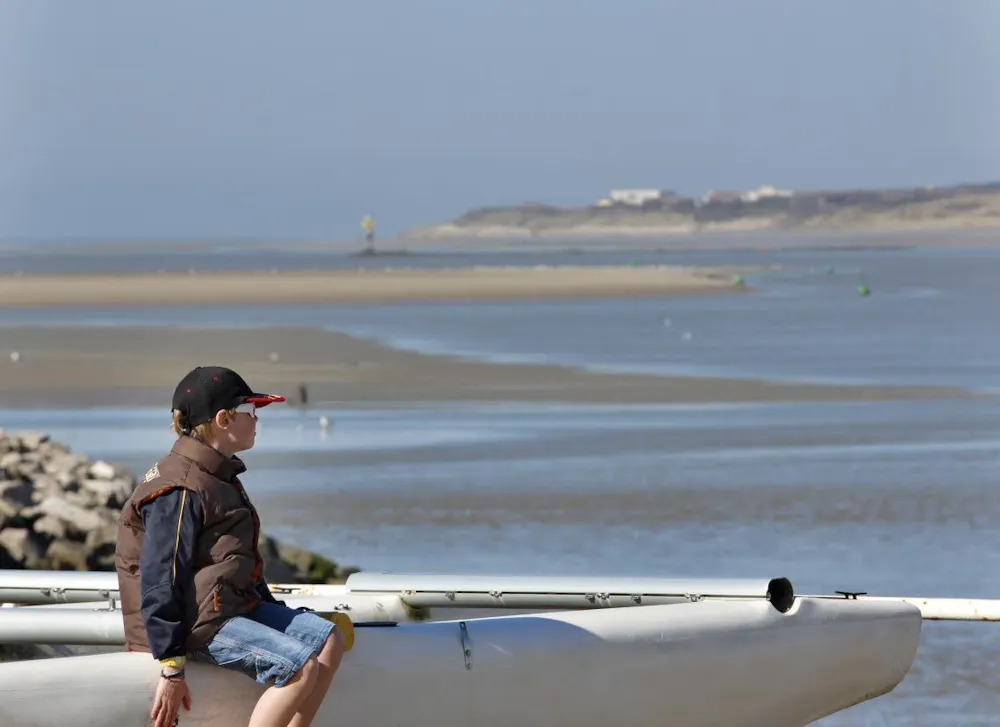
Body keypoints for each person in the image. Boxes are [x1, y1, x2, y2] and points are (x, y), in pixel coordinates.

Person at [114, 366, 344, 727]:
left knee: (328, 640)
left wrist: (269, 609)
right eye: (250, 411)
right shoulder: (182, 486)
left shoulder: (216, 474)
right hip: (193, 626)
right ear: (224, 419)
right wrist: (172, 668)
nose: (256, 420)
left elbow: (233, 558)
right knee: (299, 667)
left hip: (224, 608)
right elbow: (161, 576)